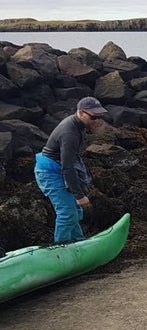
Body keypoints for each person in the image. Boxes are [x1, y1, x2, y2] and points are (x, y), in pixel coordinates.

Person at [34, 96, 108, 243]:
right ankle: (60, 249)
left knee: (75, 211)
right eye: (93, 117)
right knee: (67, 213)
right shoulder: (69, 134)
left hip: (59, 166)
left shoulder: (79, 124)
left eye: (99, 117)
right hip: (49, 172)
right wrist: (79, 195)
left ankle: (77, 241)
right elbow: (67, 168)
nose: (97, 121)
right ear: (80, 113)